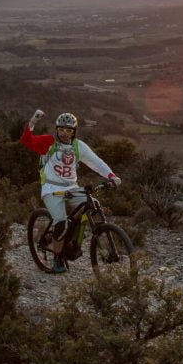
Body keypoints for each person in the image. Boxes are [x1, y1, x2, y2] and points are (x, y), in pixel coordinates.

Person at [20, 109, 121, 272]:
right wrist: (32, 122)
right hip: (51, 188)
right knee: (61, 223)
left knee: (91, 203)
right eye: (61, 129)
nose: (64, 133)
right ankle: (57, 257)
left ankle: (73, 242)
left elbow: (96, 162)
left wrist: (111, 176)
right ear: (57, 129)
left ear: (74, 131)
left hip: (71, 187)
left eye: (68, 130)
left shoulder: (78, 146)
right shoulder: (49, 142)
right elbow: (26, 141)